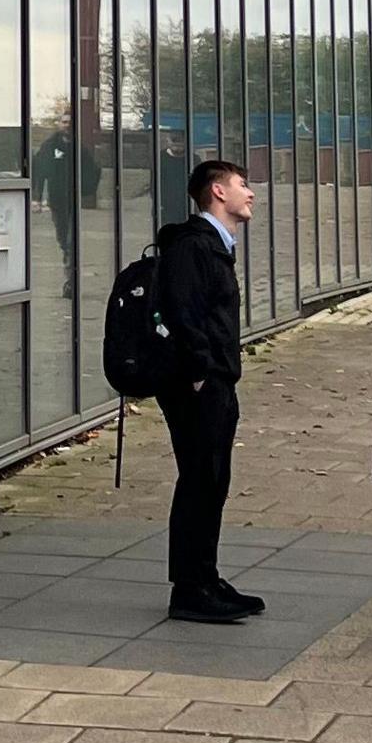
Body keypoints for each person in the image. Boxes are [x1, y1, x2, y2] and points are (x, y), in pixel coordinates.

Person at [154, 158, 255, 626]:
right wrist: (199, 372)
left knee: (212, 479)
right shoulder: (194, 247)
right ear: (217, 192)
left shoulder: (213, 246)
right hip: (200, 384)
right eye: (242, 184)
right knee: (199, 479)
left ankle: (205, 577)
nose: (250, 193)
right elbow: (184, 313)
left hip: (214, 380)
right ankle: (190, 589)